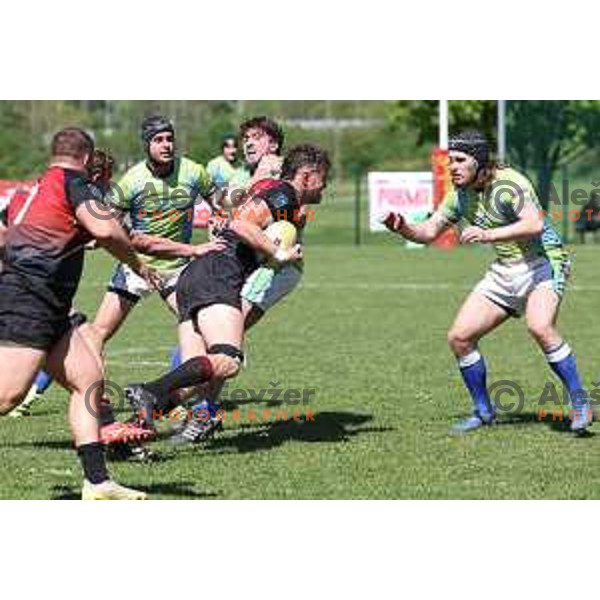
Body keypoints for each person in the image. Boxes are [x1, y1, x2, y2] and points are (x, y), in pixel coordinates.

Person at [383, 130, 591, 434]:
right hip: (505, 270)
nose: (451, 167)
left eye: (459, 160)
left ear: (479, 162)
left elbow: (534, 224)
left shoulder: (510, 183)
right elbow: (428, 232)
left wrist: (487, 235)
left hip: (544, 263)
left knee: (540, 326)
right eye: (449, 161)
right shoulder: (460, 195)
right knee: (460, 338)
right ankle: (483, 412)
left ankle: (581, 402)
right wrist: (403, 228)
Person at [0, 127, 161, 499]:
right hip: (30, 300)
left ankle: (98, 482)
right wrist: (137, 265)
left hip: (46, 303)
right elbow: (105, 230)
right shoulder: (75, 183)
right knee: (7, 396)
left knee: (88, 379)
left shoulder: (35, 187)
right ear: (87, 158)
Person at [125, 144, 331, 431]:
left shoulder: (273, 190)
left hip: (194, 276)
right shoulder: (283, 195)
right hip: (218, 276)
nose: (326, 185)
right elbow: (241, 225)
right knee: (229, 361)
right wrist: (277, 253)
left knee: (197, 373)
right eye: (324, 177)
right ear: (307, 176)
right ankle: (149, 390)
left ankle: (129, 431)